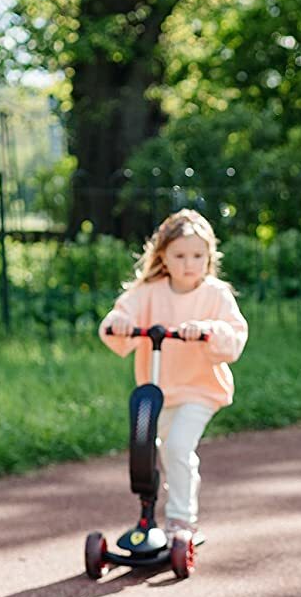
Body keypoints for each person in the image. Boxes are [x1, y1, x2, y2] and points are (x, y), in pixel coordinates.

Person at [99, 209, 249, 537]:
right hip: (158, 390)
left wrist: (208, 330)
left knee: (178, 447)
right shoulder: (149, 291)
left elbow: (235, 336)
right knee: (152, 450)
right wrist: (119, 323)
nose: (188, 264)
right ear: (163, 256)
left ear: (209, 256)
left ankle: (181, 518)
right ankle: (150, 517)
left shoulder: (215, 294)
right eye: (179, 255)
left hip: (200, 390)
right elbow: (116, 320)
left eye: (198, 255)